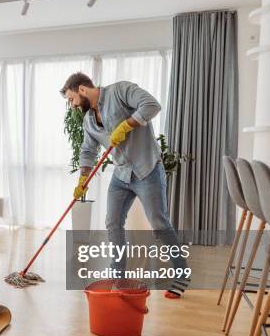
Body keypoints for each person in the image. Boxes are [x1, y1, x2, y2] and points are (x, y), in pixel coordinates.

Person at [60, 72, 189, 299]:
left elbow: (152, 105)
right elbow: (88, 151)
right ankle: (117, 275)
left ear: (81, 89)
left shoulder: (120, 91)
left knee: (159, 223)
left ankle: (181, 273)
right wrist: (83, 178)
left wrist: (127, 125)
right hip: (121, 175)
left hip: (146, 168)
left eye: (71, 99)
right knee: (112, 222)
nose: (71, 106)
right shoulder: (89, 119)